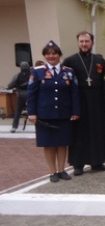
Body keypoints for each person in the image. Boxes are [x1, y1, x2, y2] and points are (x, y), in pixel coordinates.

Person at [27, 41, 79, 182]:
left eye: (54, 53)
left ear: (59, 55)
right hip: (45, 115)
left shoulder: (68, 72)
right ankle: (52, 172)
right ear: (44, 56)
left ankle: (62, 170)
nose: (52, 56)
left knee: (62, 143)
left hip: (64, 113)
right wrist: (31, 112)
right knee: (49, 144)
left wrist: (76, 111)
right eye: (48, 54)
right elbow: (31, 94)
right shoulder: (37, 72)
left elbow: (74, 93)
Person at [62, 31, 105, 175]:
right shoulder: (70, 61)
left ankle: (97, 161)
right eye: (81, 41)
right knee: (80, 133)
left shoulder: (100, 61)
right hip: (79, 100)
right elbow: (66, 84)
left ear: (92, 43)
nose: (84, 44)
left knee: (97, 131)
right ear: (78, 43)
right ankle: (78, 164)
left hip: (96, 101)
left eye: (86, 41)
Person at [7, 61, 30, 133]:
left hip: (20, 95)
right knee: (34, 111)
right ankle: (39, 127)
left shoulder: (17, 75)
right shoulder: (32, 74)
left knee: (18, 111)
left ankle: (14, 127)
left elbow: (10, 86)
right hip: (30, 94)